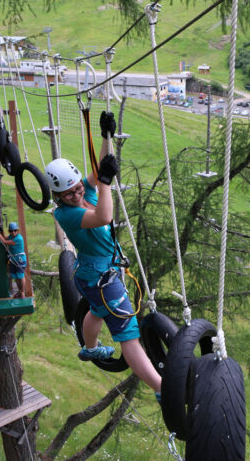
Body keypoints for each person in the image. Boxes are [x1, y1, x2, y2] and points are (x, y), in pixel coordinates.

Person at [44, 111, 161, 398]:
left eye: (77, 187)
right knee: (129, 338)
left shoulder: (82, 191)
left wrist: (106, 137)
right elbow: (104, 215)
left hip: (91, 273)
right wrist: (106, 184)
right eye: (69, 192)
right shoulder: (68, 214)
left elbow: (98, 173)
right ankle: (161, 388)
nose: (76, 192)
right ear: (58, 197)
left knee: (96, 311)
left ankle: (91, 349)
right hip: (101, 278)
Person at [0, 222, 27, 298]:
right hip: (13, 260)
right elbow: (4, 238)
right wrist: (0, 232)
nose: (13, 232)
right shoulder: (11, 236)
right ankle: (19, 291)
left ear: (18, 230)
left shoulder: (18, 238)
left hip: (20, 259)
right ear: (9, 231)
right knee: (16, 276)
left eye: (15, 230)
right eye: (11, 231)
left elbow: (5, 242)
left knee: (21, 276)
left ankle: (22, 293)